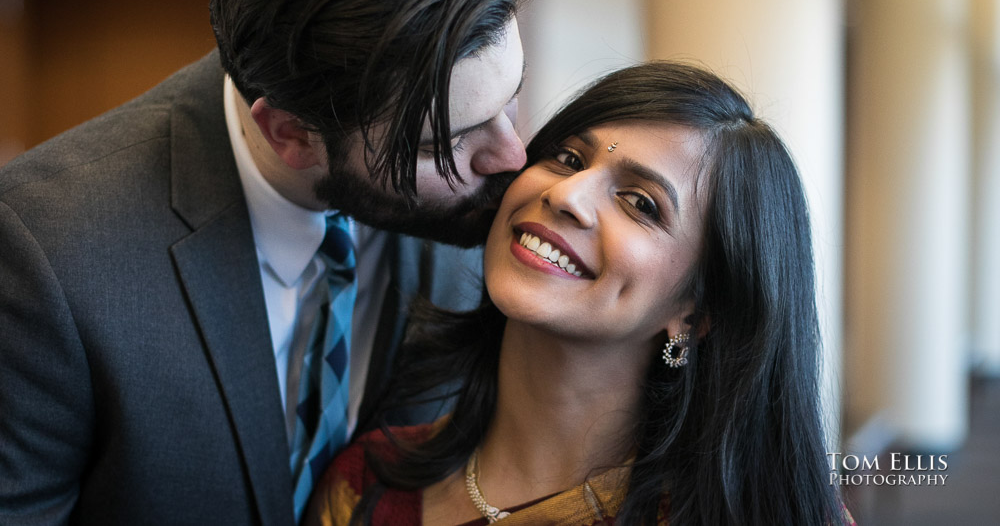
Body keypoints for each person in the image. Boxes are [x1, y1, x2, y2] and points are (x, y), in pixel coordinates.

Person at [0, 0, 537, 524]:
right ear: (289, 133)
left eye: (510, 101)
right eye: (441, 144)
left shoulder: (479, 214)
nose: (512, 156)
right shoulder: (49, 251)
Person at [308, 61, 854, 525]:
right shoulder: (365, 487)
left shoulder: (768, 514)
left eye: (641, 203)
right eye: (568, 158)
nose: (566, 195)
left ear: (696, 314)